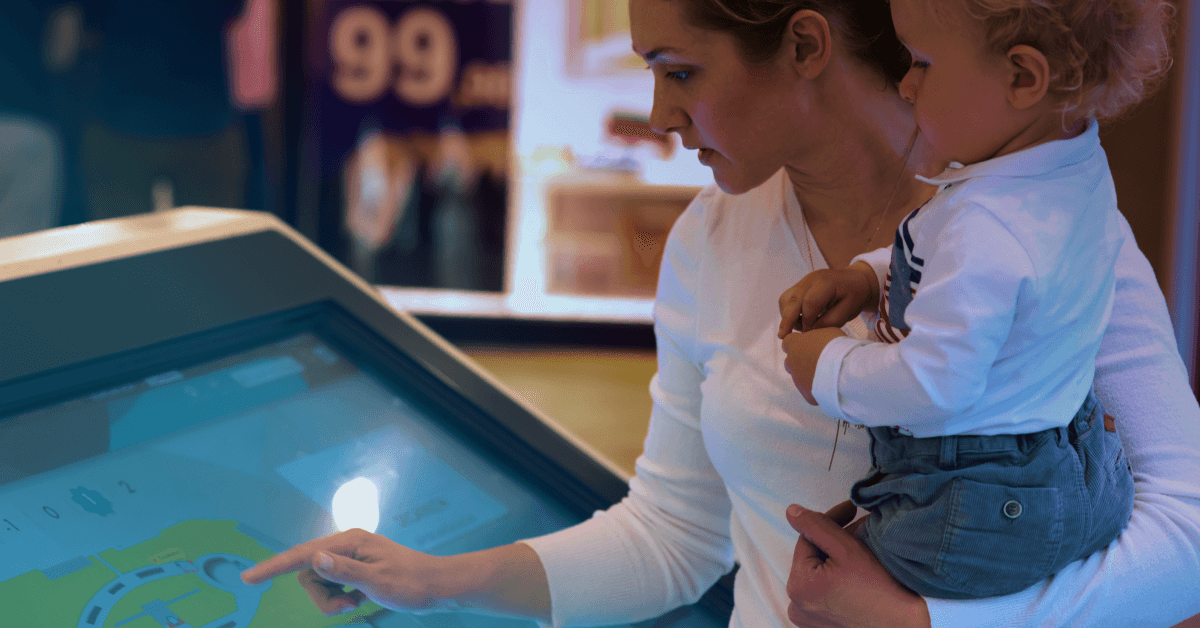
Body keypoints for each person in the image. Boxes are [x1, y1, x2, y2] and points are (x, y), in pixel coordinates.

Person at [241, 0, 1200, 626]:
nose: (659, 113)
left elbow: (1185, 543)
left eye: (681, 71)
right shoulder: (713, 238)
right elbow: (671, 533)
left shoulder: (1054, 226)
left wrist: (929, 626)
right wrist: (433, 578)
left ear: (805, 46)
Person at [772, 0, 1172, 600]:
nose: (906, 85)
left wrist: (827, 369)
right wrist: (867, 280)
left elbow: (936, 385)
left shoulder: (985, 222)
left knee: (835, 588)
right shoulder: (1071, 170)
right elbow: (1001, 281)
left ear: (1023, 77)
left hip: (978, 501)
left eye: (923, 62)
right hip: (1082, 467)